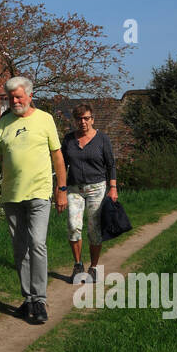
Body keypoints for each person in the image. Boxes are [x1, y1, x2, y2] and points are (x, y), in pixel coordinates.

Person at [0, 76, 68, 324]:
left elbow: (58, 157)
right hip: (11, 195)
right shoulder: (4, 123)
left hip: (40, 193)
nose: (15, 101)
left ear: (30, 96)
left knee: (37, 244)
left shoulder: (45, 120)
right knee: (20, 249)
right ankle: (27, 299)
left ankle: (39, 300)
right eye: (10, 98)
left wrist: (62, 189)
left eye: (18, 97)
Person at [62, 102, 117, 284]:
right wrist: (59, 188)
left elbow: (111, 165)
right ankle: (78, 265)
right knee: (73, 225)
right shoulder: (69, 140)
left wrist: (113, 187)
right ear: (75, 121)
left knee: (94, 229)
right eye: (79, 119)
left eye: (86, 118)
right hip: (74, 188)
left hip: (97, 188)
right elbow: (61, 165)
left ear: (92, 119)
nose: (83, 122)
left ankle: (93, 268)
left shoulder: (102, 139)